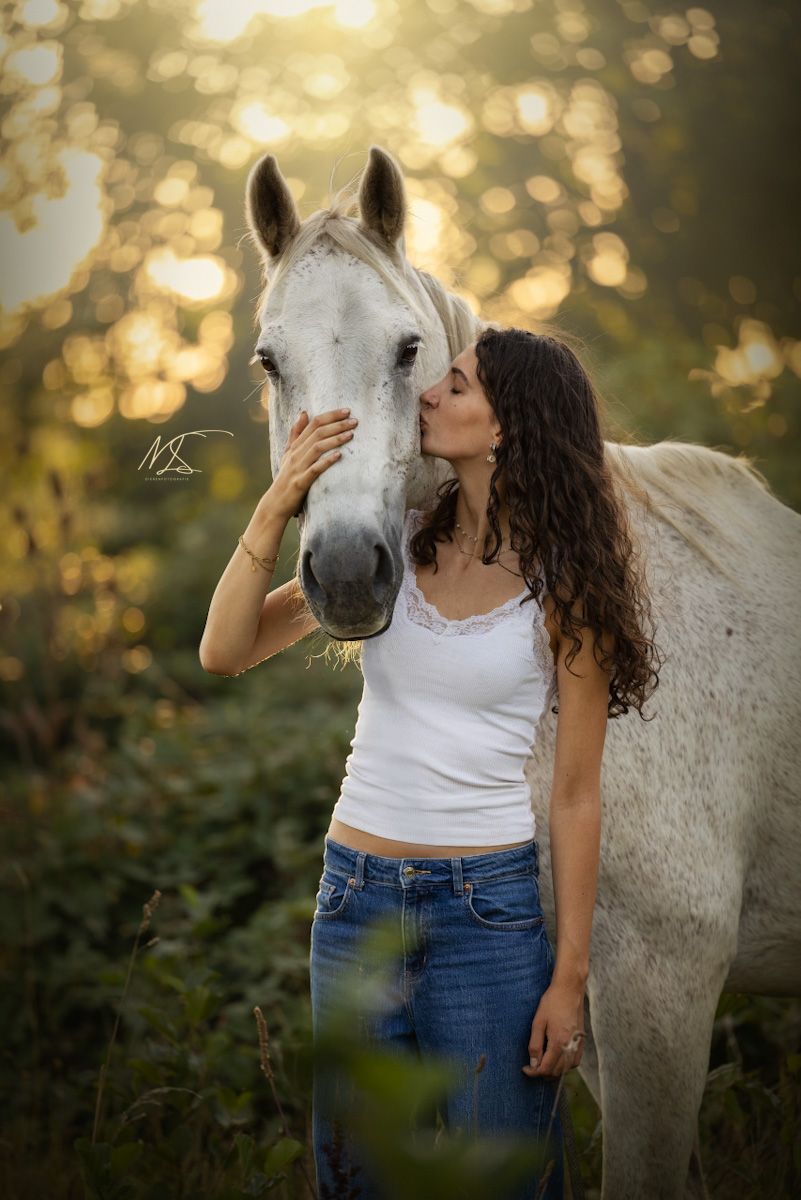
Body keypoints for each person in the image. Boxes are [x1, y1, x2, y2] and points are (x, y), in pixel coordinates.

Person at [200, 325, 659, 1199]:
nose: (428, 395)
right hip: (353, 906)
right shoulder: (398, 547)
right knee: (356, 1178)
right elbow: (223, 652)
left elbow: (573, 796)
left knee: (509, 1180)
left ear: (505, 426)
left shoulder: (566, 586)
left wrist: (568, 980)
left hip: (485, 919)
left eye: (456, 384)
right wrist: (276, 502)